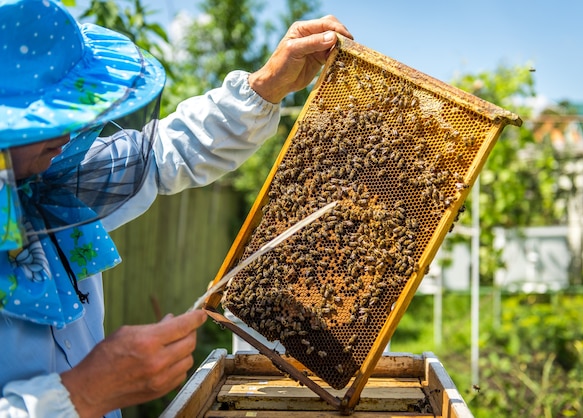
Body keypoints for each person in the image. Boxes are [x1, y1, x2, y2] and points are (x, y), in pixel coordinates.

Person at [0, 0, 352, 416]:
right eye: (42, 116)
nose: (67, 131)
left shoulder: (47, 176)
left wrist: (265, 86)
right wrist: (84, 393)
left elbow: (163, 153)